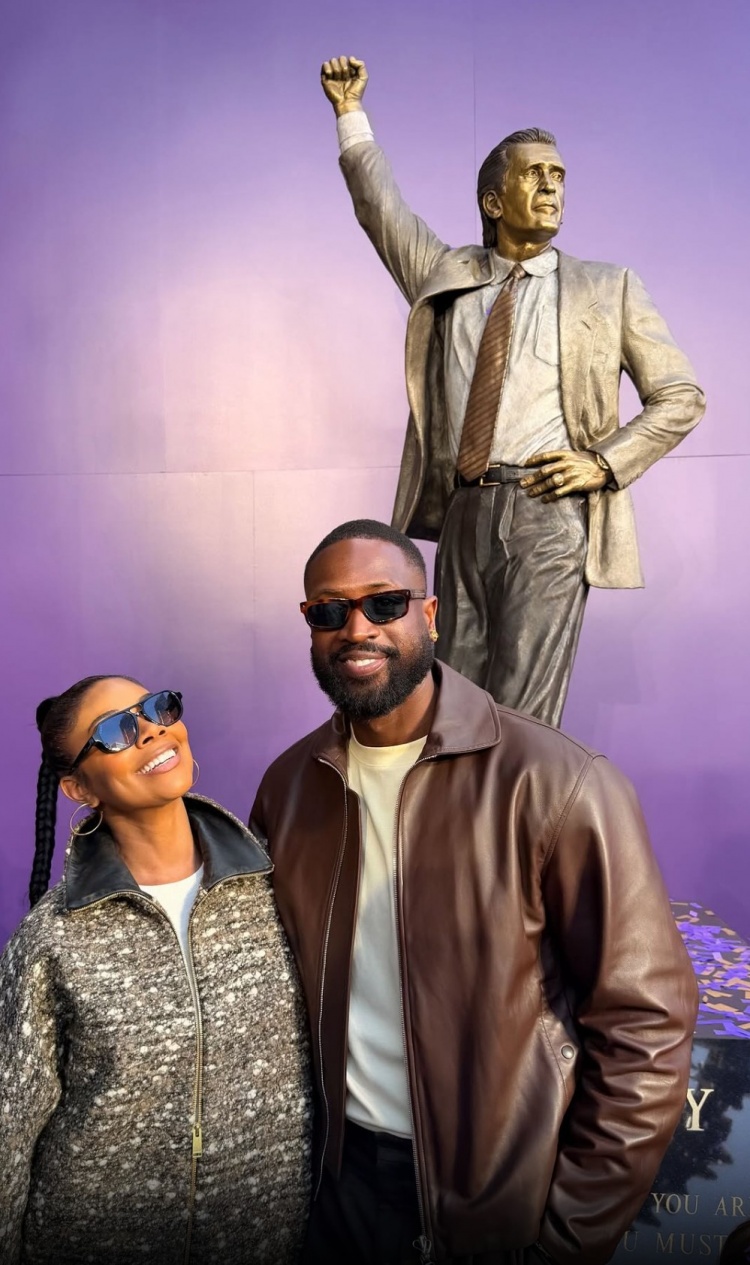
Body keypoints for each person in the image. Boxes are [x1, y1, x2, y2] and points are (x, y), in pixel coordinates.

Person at [250, 518, 699, 1265]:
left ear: (429, 614)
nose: (357, 629)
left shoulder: (557, 780)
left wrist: (569, 1239)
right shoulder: (291, 787)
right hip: (334, 1190)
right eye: (328, 611)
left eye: (385, 603)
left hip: (496, 1204)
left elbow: (645, 1025)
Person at [319, 56, 706, 726]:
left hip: (548, 511)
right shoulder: (448, 275)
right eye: (535, 174)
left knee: (522, 712)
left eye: (559, 176)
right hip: (463, 512)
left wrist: (604, 462)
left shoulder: (607, 287)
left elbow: (681, 395)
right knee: (450, 701)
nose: (552, 187)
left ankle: (520, 800)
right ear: (493, 203)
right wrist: (350, 115)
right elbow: (380, 209)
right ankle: (460, 800)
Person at [0, 675, 311, 1264]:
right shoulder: (52, 939)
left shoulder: (278, 887)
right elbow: (8, 1133)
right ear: (79, 788)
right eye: (116, 730)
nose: (150, 730)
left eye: (156, 708)